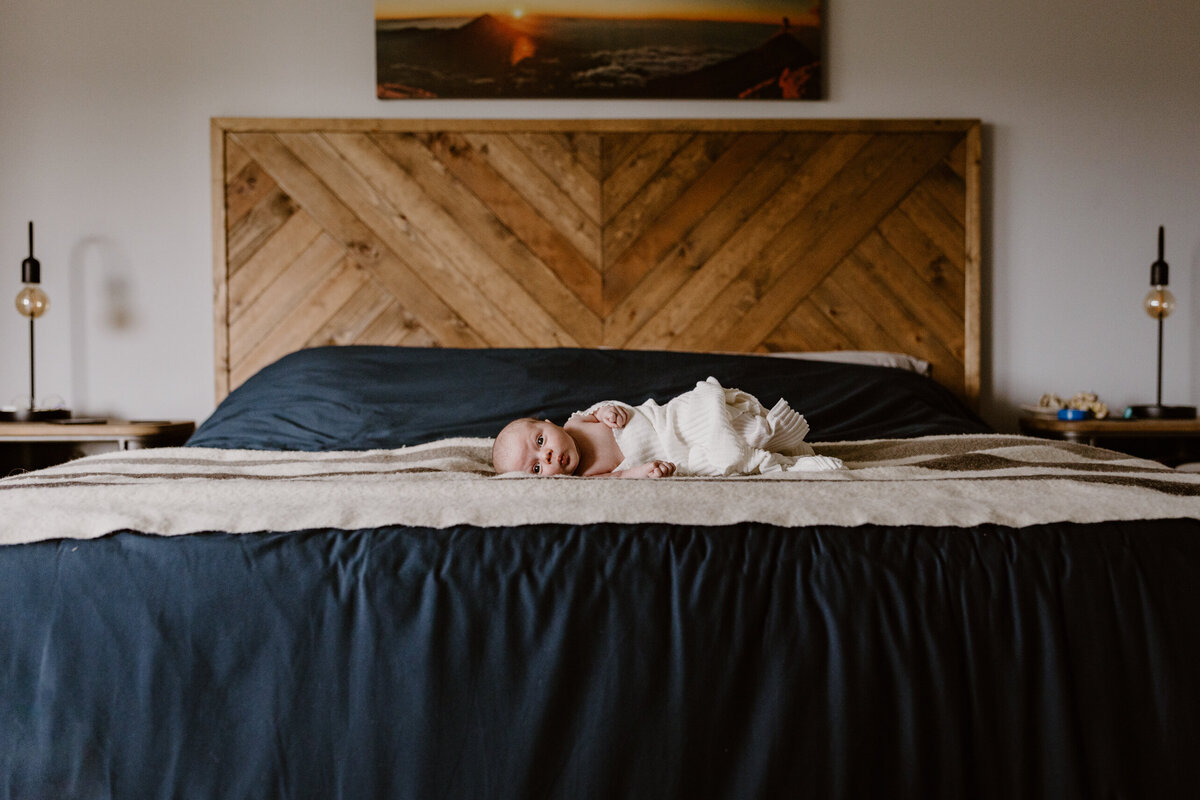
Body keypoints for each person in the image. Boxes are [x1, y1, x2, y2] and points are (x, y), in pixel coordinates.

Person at [491, 377, 844, 477]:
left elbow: (604, 408)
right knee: (723, 457)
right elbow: (619, 481)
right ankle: (783, 457)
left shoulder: (577, 421)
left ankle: (770, 432)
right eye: (537, 467)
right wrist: (643, 471)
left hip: (671, 421)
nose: (549, 454)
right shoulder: (586, 479)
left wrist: (610, 411)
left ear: (550, 424)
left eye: (540, 440)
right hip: (677, 453)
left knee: (712, 413)